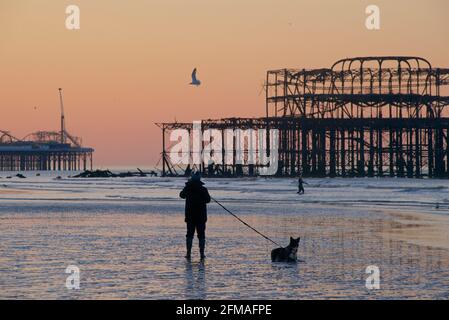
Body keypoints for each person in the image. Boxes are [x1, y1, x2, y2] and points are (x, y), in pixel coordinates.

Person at [180, 171, 211, 260]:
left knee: (189, 234)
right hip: (201, 216)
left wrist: (187, 186)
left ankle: (188, 253)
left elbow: (181, 195)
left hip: (190, 216)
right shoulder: (203, 189)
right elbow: (208, 200)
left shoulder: (188, 188)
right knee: (201, 235)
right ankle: (202, 253)